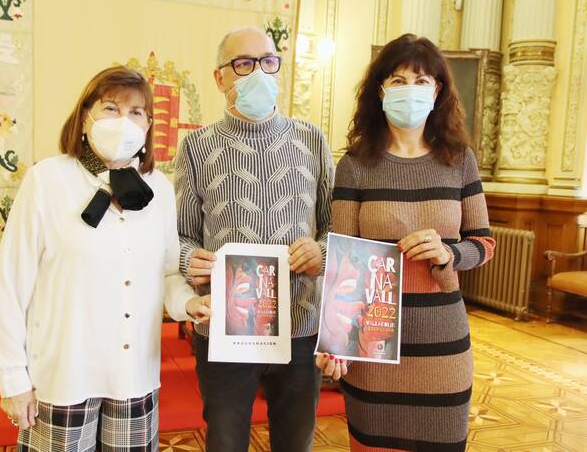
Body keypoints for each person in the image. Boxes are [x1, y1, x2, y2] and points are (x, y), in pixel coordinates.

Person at [0, 66, 211, 451]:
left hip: (133, 377)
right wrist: (12, 378)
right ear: (85, 117)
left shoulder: (158, 188)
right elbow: (10, 284)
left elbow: (167, 273)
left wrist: (189, 303)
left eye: (136, 112)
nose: (124, 121)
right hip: (64, 375)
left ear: (148, 126)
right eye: (111, 108)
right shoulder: (47, 180)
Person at [316, 33, 496, 451]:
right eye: (398, 80)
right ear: (380, 90)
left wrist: (449, 253)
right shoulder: (355, 165)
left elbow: (483, 243)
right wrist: (337, 341)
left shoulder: (460, 160)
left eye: (421, 81)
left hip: (442, 341)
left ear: (438, 91)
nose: (409, 90)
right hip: (374, 342)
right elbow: (343, 262)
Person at [174, 26, 334, 452]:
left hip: (300, 326)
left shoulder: (312, 140)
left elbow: (333, 226)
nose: (258, 73)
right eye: (243, 64)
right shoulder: (196, 147)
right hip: (227, 328)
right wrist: (190, 259)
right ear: (220, 78)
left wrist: (321, 252)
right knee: (225, 442)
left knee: (295, 442)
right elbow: (181, 236)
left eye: (267, 61)